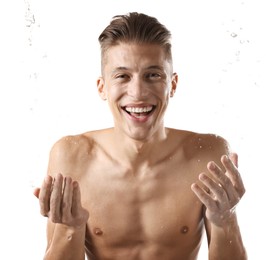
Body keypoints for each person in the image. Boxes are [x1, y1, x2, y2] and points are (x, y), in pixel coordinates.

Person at [34, 12, 247, 260]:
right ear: (102, 87)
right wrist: (69, 228)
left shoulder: (208, 155)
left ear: (173, 85)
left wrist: (224, 220)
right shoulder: (72, 156)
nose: (138, 92)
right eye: (122, 76)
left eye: (153, 75)